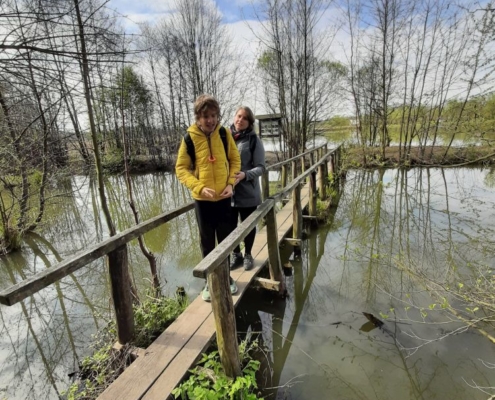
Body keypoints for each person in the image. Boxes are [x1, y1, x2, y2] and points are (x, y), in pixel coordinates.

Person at [175, 94, 241, 302]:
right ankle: (209, 283)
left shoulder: (224, 134)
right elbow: (181, 169)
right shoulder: (189, 138)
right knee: (206, 242)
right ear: (198, 117)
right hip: (202, 201)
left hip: (223, 197)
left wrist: (231, 183)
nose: (210, 120)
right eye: (205, 116)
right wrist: (199, 187)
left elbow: (235, 160)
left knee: (225, 240)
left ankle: (226, 278)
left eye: (213, 115)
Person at [229, 106, 266, 271]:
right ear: (234, 117)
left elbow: (261, 167)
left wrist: (245, 175)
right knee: (230, 227)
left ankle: (248, 254)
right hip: (228, 194)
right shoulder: (225, 138)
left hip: (248, 193)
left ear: (249, 122)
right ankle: (236, 255)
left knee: (248, 226)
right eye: (238, 116)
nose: (240, 120)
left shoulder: (253, 140)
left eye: (244, 118)